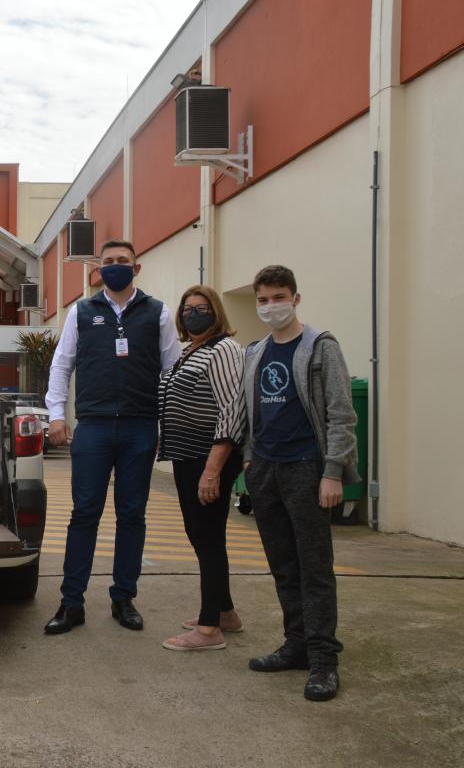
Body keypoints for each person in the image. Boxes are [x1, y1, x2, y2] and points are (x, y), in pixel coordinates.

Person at [43, 240, 181, 635]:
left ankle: (124, 597)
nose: (116, 267)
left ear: (136, 269)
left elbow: (171, 371)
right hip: (95, 427)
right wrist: (56, 416)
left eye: (123, 262)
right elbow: (62, 364)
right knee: (84, 513)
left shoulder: (158, 312)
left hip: (140, 427)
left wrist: (165, 428)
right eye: (108, 263)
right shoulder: (82, 312)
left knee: (132, 514)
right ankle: (72, 603)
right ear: (97, 270)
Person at [242, 265, 357, 702]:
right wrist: (251, 461)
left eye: (279, 297)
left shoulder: (321, 347)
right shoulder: (255, 351)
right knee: (284, 564)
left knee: (314, 567)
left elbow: (342, 414)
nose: (271, 306)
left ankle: (324, 659)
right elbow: (252, 412)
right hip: (267, 469)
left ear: (296, 298)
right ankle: (296, 645)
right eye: (264, 299)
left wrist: (333, 472)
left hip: (307, 468)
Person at [156, 285, 246, 651]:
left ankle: (210, 629)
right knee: (200, 535)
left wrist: (213, 469)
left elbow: (231, 408)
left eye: (202, 308)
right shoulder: (189, 351)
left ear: (216, 311)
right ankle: (224, 611)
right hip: (186, 456)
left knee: (207, 538)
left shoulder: (223, 348)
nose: (194, 314)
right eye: (188, 308)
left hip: (207, 460)